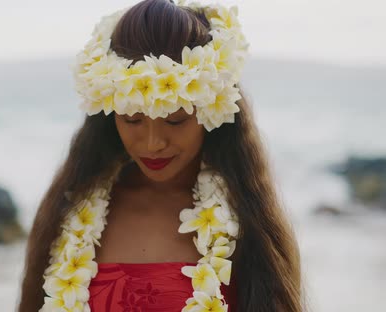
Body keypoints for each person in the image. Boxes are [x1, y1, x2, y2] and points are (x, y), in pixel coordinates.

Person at [18, 0, 304, 311]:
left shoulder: (245, 220)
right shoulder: (70, 209)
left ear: (211, 106)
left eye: (175, 120)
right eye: (132, 119)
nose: (153, 143)